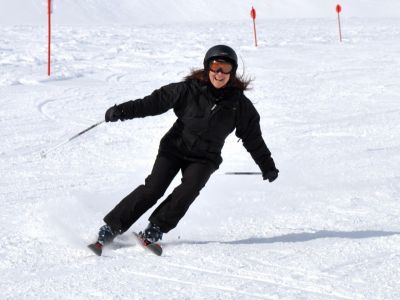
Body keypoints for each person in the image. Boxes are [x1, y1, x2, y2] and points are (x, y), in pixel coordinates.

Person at [96, 45, 279, 245]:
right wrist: (122, 111)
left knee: (189, 190)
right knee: (153, 189)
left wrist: (267, 166)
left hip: (205, 158)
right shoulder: (188, 90)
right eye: (215, 66)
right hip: (174, 147)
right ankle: (112, 227)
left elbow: (254, 139)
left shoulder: (240, 106)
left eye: (225, 68)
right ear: (207, 67)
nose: (219, 73)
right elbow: (154, 102)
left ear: (232, 72)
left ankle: (156, 227)